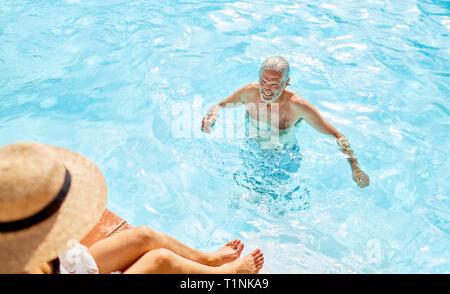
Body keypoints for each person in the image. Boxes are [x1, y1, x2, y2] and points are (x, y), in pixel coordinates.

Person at [0, 142, 264, 274]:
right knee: (161, 259)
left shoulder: (16, 233)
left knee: (145, 236)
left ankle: (208, 260)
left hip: (65, 263)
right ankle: (230, 273)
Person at [201, 56, 369, 188]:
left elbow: (337, 136)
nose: (266, 90)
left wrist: (355, 167)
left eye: (274, 85)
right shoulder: (249, 92)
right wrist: (212, 118)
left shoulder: (298, 106)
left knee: (276, 207)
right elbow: (220, 105)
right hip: (251, 150)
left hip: (283, 159)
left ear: (286, 83)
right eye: (263, 82)